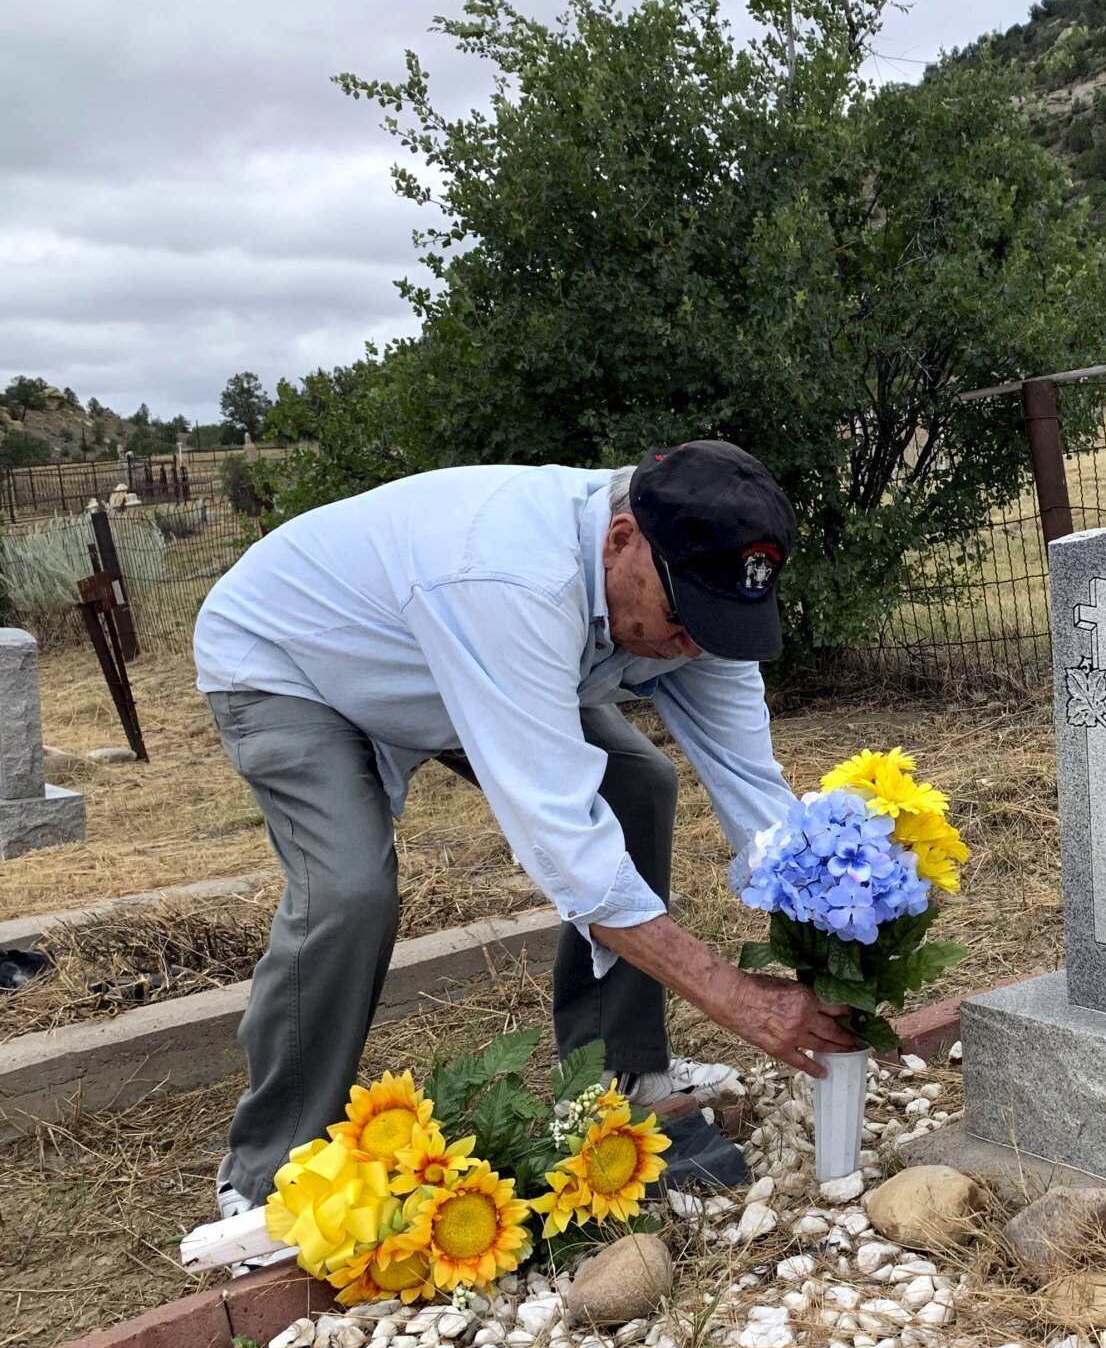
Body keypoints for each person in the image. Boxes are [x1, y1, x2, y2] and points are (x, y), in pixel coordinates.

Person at [192, 442, 863, 1218]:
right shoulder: (508, 577)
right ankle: (270, 1175)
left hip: (450, 658)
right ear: (620, 540)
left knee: (637, 783)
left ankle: (619, 1074)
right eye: (684, 619)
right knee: (349, 888)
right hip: (294, 659)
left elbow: (759, 802)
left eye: (719, 624)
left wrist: (838, 938)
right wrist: (739, 998)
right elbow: (568, 850)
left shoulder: (694, 598)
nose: (694, 646)